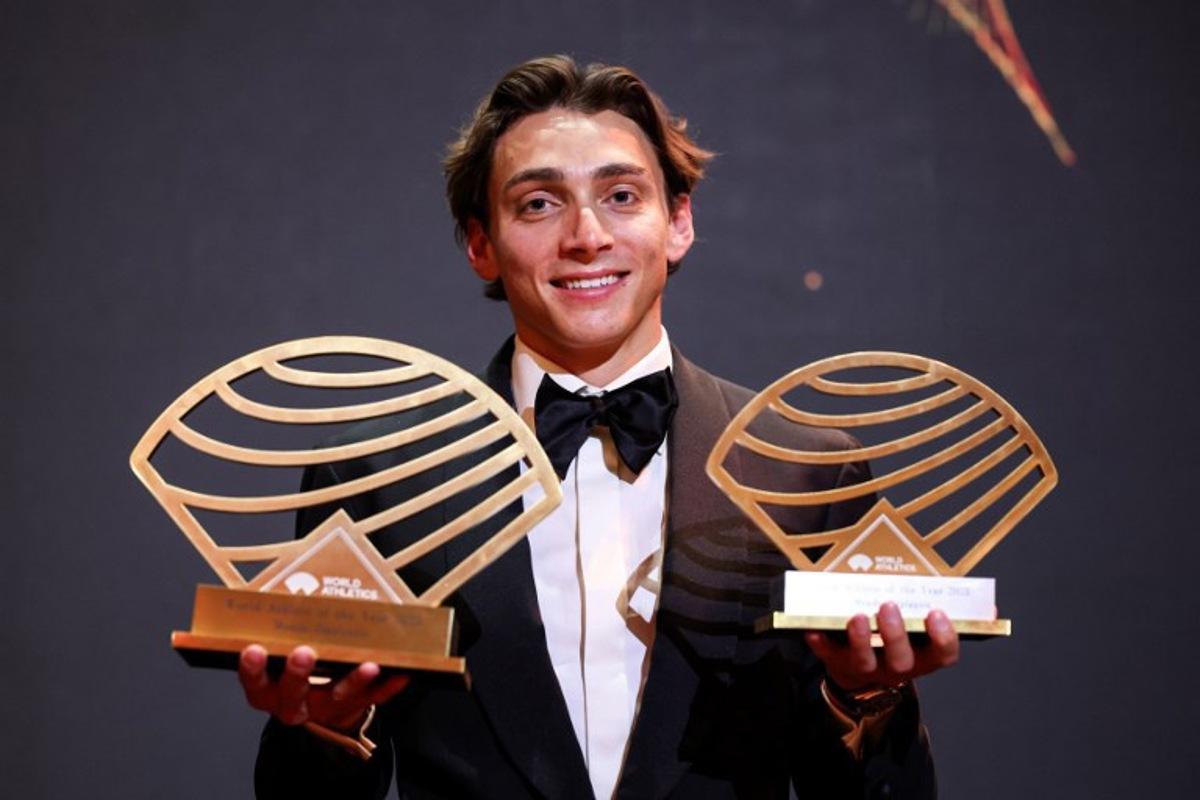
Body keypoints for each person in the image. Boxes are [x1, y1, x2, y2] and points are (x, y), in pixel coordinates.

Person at [241, 55, 959, 799]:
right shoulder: (381, 479)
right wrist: (326, 722)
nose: (587, 236)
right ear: (480, 243)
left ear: (678, 221)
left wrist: (865, 700)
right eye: (538, 205)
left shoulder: (804, 471)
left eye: (621, 195)